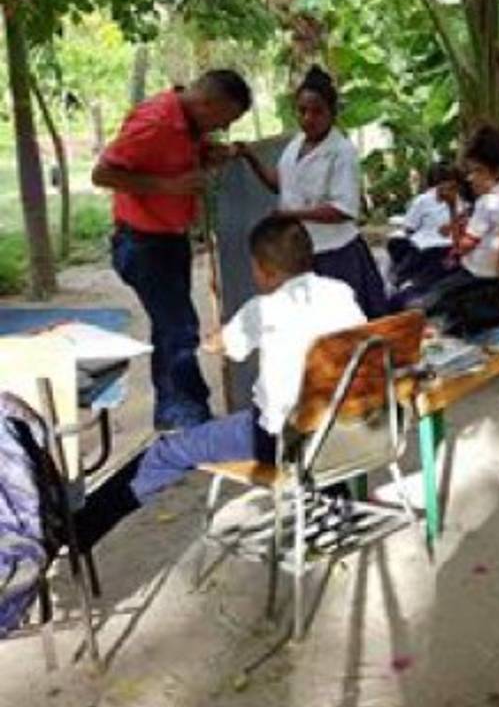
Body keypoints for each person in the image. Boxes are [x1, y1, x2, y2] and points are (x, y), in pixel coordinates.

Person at [75, 216, 366, 550]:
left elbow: (222, 345)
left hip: (282, 440)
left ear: (263, 271)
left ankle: (79, 528)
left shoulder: (263, 308)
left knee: (167, 451)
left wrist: (216, 338)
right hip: (346, 429)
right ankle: (332, 502)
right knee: (305, 404)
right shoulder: (341, 293)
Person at [92, 69, 252, 431]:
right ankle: (184, 416)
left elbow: (176, 155)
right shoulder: (156, 123)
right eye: (224, 120)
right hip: (143, 244)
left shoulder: (189, 124)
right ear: (208, 104)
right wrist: (170, 185)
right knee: (179, 329)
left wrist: (207, 155)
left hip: (169, 240)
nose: (222, 128)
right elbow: (102, 174)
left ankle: (177, 411)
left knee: (172, 328)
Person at [238, 65, 388, 319]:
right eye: (302, 111)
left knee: (343, 325)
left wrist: (291, 214)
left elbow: (344, 209)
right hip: (302, 252)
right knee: (310, 326)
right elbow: (283, 184)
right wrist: (251, 158)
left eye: (317, 111)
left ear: (332, 113)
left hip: (335, 254)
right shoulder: (297, 143)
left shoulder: (341, 152)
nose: (308, 118)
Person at [410, 124, 499, 311]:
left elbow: (460, 249)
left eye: (478, 171)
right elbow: (494, 229)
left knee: (414, 300)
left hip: (479, 284)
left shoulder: (488, 202)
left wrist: (452, 207)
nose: (470, 178)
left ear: (498, 171)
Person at [388, 162, 462, 291]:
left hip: (431, 249)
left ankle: (400, 280)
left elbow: (409, 228)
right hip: (436, 248)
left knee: (402, 247)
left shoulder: (425, 200)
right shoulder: (426, 201)